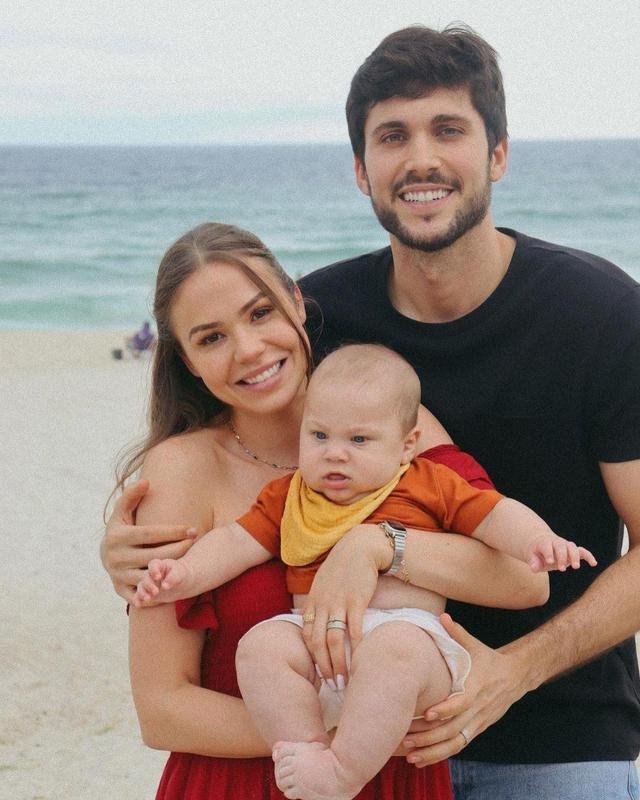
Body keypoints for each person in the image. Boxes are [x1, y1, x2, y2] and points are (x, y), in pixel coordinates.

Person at [292, 24, 640, 800]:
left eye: (448, 129)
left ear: (498, 154)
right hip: (362, 743)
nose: (420, 158)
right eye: (392, 136)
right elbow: (234, 463)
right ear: (361, 170)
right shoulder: (318, 316)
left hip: (561, 737)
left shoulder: (601, 313)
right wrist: (138, 546)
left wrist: (512, 674)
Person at [108, 222, 547, 800]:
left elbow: (525, 581)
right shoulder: (181, 470)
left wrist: (378, 548)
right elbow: (163, 710)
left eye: (261, 313)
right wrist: (353, 737)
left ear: (296, 301)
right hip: (248, 783)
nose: (249, 349)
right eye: (211, 338)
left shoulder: (396, 433)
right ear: (187, 360)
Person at [133, 342, 594, 800]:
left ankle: (340, 775)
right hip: (316, 649)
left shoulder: (427, 483)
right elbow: (234, 543)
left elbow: (496, 515)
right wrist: (182, 574)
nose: (336, 454)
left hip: (409, 638)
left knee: (392, 651)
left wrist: (540, 542)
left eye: (358, 440)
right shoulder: (290, 495)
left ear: (406, 445)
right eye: (319, 437)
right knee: (262, 645)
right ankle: (307, 750)